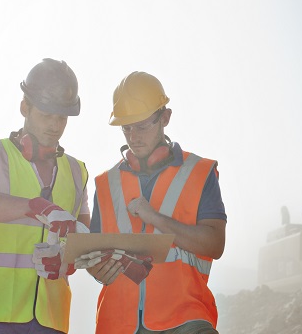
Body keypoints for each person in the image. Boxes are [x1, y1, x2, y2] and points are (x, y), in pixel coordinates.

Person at [86, 71, 226, 334]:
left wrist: (156, 219)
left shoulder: (199, 172)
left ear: (165, 118)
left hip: (186, 320)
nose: (133, 137)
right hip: (117, 324)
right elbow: (94, 255)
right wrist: (97, 269)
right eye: (126, 128)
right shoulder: (106, 184)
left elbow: (215, 245)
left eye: (141, 126)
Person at [0, 58, 90, 334]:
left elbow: (85, 236)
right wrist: (37, 207)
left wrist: (66, 259)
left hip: (52, 320)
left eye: (62, 117)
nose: (55, 125)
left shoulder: (77, 172)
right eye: (47, 114)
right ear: (24, 107)